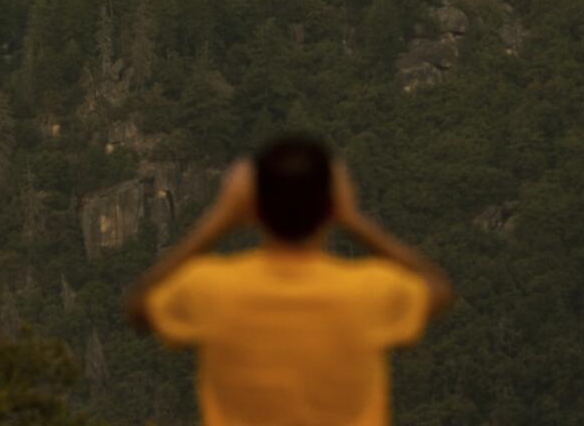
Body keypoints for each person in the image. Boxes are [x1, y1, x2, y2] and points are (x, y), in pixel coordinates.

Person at [126, 134, 452, 425]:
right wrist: (353, 219)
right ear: (330, 208)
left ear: (254, 209)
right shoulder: (366, 292)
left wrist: (220, 218)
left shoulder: (212, 288)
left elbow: (139, 308)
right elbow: (437, 290)